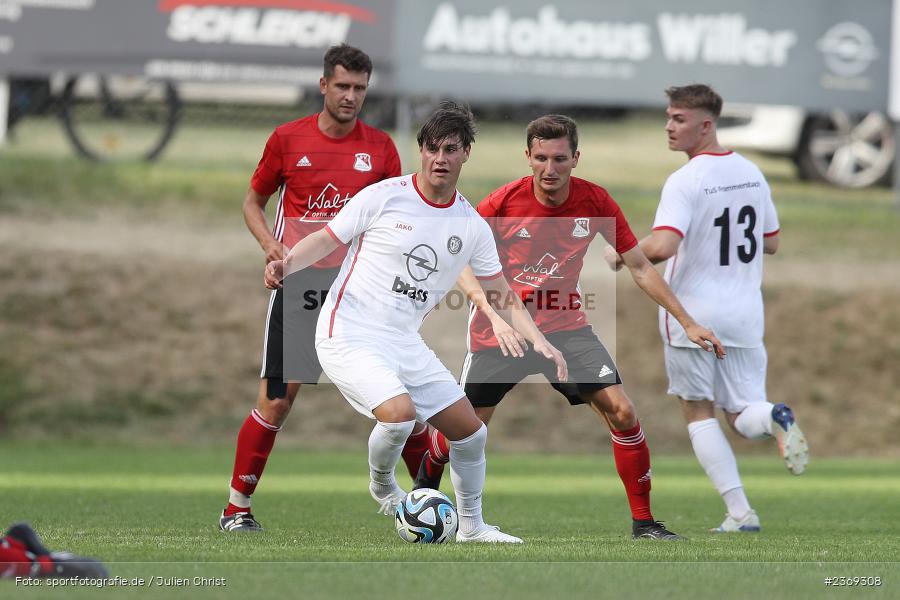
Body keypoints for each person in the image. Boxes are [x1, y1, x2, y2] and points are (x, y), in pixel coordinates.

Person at [265, 101, 568, 543]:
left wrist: (540, 340)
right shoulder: (385, 196)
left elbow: (502, 291)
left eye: (450, 149)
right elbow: (325, 239)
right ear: (421, 151)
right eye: (431, 149)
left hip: (403, 341)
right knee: (399, 417)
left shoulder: (471, 225)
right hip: (347, 331)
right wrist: (285, 265)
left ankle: (473, 528)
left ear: (466, 153)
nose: (439, 159)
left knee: (470, 433)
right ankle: (384, 487)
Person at [412, 114, 725, 540]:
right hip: (501, 331)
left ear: (576, 158)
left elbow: (639, 267)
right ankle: (424, 491)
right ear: (528, 157)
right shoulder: (502, 203)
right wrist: (489, 310)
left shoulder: (595, 202)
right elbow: (459, 261)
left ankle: (645, 524)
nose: (550, 168)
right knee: (462, 430)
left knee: (623, 411)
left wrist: (687, 322)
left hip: (566, 328)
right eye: (540, 158)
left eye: (559, 158)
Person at [220, 44, 403, 532]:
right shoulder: (286, 139)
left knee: (401, 400)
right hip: (302, 288)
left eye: (360, 88)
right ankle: (236, 509)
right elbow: (252, 203)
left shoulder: (381, 148)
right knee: (277, 401)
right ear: (324, 85)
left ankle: (425, 501)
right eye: (342, 86)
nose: (350, 96)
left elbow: (396, 219)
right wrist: (271, 248)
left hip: (359, 292)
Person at [614, 84, 809, 533]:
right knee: (743, 416)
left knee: (698, 412)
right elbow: (772, 242)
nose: (669, 126)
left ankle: (740, 512)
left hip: (695, 317)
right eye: (668, 116)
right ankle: (777, 417)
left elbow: (662, 246)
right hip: (745, 314)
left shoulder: (686, 179)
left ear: (706, 124)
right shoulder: (752, 173)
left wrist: (622, 252)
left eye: (678, 119)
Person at [1, 523, 107, 579]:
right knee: (93, 566)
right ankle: (52, 557)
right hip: (45, 564)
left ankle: (51, 556)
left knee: (20, 529)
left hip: (37, 560)